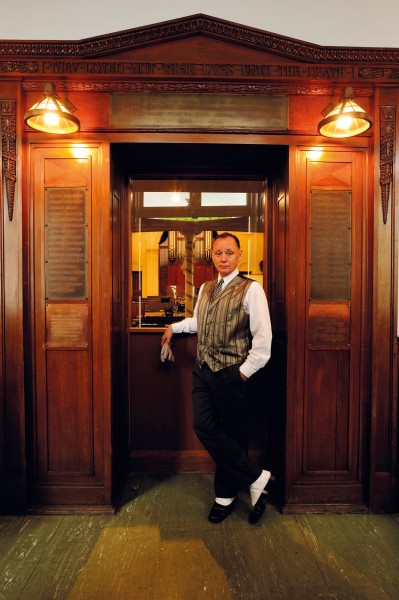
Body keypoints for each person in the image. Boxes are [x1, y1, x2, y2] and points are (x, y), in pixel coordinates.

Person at [161, 232, 273, 524]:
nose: (223, 258)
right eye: (218, 253)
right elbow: (200, 321)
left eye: (229, 253)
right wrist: (175, 326)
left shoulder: (251, 289)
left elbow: (264, 340)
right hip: (204, 370)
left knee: (234, 434)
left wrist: (243, 373)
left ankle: (224, 495)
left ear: (239, 256)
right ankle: (257, 477)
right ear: (212, 255)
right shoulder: (206, 287)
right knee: (204, 425)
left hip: (233, 373)